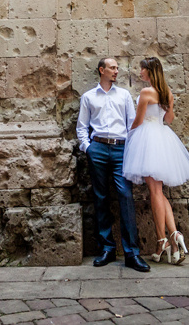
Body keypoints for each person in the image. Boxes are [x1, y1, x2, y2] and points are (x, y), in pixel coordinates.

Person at [76, 57, 150, 272]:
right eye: (112, 68)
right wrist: (87, 148)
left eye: (117, 68)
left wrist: (130, 147)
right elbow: (82, 127)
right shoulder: (88, 97)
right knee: (100, 197)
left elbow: (131, 123)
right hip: (97, 148)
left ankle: (132, 254)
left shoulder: (124, 95)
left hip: (120, 149)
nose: (117, 71)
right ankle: (107, 249)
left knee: (125, 196)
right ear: (102, 70)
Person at [122, 57, 189, 264]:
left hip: (147, 138)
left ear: (150, 71)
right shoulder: (168, 93)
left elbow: (137, 121)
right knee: (159, 191)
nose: (140, 73)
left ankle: (162, 239)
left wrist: (128, 136)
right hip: (162, 137)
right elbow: (169, 120)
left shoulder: (147, 92)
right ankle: (174, 236)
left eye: (142, 69)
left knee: (154, 191)